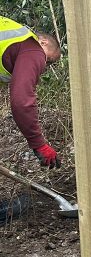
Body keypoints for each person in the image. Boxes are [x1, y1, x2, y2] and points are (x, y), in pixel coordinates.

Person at [0, 16, 62, 167]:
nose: (44, 66)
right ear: (43, 42)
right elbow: (21, 101)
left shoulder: (10, 45)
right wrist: (39, 143)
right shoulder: (34, 49)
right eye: (49, 61)